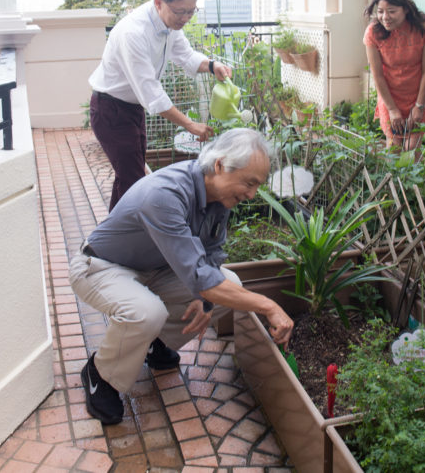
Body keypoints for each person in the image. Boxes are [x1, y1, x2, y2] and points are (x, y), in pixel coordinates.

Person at [68, 128, 295, 425]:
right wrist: (269, 305)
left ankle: (156, 343)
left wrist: (206, 300)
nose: (252, 194)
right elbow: (202, 277)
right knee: (147, 312)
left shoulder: (220, 198)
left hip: (156, 269)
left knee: (231, 286)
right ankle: (101, 374)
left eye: (258, 185)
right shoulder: (166, 194)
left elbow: (211, 258)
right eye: (249, 183)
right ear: (220, 165)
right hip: (101, 267)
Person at [88, 0, 233, 210]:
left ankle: (106, 242)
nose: (185, 18)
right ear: (158, 3)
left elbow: (185, 55)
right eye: (180, 12)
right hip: (111, 111)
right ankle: (125, 241)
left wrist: (211, 65)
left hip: (130, 109)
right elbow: (152, 94)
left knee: (128, 176)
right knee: (134, 181)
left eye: (191, 11)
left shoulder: (169, 24)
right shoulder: (133, 33)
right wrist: (190, 124)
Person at [362, 0, 425, 150]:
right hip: (391, 95)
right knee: (394, 146)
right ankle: (393, 178)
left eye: (392, 11)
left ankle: (414, 177)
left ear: (406, 9)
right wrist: (392, 109)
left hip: (419, 94)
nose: (385, 17)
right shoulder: (373, 32)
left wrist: (419, 107)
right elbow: (378, 75)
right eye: (380, 12)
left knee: (412, 147)